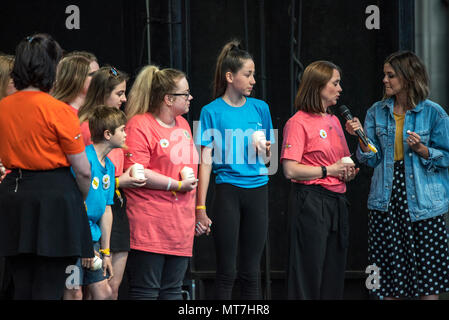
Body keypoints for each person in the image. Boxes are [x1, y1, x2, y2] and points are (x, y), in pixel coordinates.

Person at [346, 51, 449, 300]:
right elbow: (372, 158)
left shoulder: (433, 113)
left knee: (428, 281)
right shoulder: (376, 112)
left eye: (391, 75)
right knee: (387, 281)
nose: (384, 80)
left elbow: (446, 156)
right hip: (386, 200)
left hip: (425, 203)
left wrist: (424, 150)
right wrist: (361, 140)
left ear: (408, 77)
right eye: (384, 74)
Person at [0, 33, 93, 300]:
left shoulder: (3, 107)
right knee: (49, 288)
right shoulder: (58, 110)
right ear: (51, 67)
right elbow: (84, 170)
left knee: (22, 286)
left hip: (13, 198)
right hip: (54, 199)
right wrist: (77, 199)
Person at [195, 40, 274, 300]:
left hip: (258, 190)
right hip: (228, 189)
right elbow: (204, 161)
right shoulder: (210, 111)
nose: (253, 80)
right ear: (230, 76)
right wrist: (201, 206)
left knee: (252, 272)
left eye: (253, 74)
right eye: (247, 74)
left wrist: (265, 149)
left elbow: (270, 161)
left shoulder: (261, 108)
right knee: (227, 270)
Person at [281, 60, 358, 300]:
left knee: (333, 272)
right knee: (308, 272)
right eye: (335, 83)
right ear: (318, 86)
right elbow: (290, 170)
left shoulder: (334, 120)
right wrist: (329, 171)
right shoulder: (298, 122)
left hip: (337, 201)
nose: (340, 88)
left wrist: (348, 171)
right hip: (312, 202)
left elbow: (343, 161)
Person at [124, 65, 199, 300]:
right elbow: (137, 172)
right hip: (150, 227)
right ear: (168, 99)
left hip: (179, 227)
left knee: (173, 292)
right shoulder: (140, 125)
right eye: (185, 94)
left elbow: (186, 168)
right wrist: (175, 185)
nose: (190, 98)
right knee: (146, 292)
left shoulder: (184, 126)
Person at [77, 66, 145, 299]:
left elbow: (111, 171)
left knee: (109, 287)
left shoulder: (116, 128)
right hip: (87, 215)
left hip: (112, 207)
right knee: (84, 289)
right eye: (119, 93)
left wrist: (125, 177)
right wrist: (120, 181)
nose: (124, 99)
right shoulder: (88, 129)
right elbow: (85, 179)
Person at [64, 106, 128, 300]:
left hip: (93, 239)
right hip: (74, 238)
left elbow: (106, 209)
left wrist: (106, 252)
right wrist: (84, 245)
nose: (126, 134)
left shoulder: (109, 166)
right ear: (108, 134)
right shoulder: (84, 160)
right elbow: (75, 204)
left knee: (104, 293)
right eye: (123, 129)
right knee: (74, 291)